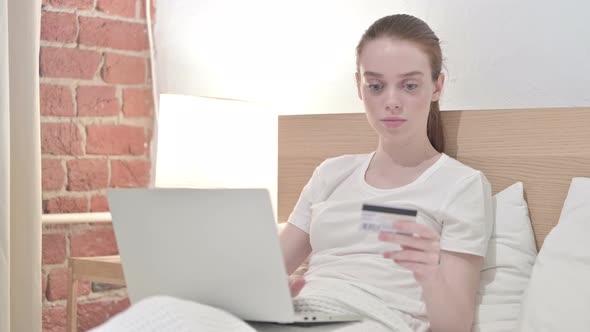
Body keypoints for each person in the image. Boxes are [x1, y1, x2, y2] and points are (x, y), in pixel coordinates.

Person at [279, 14, 493, 332]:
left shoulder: (462, 186)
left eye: (409, 85)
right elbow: (266, 274)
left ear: (437, 86)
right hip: (305, 314)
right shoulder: (329, 174)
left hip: (380, 322)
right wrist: (274, 295)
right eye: (376, 86)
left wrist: (430, 276)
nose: (391, 102)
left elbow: (455, 326)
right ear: (359, 87)